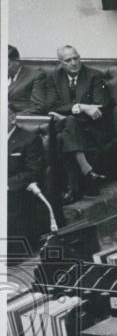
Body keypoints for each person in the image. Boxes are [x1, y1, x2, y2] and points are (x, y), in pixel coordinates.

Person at [46, 45, 114, 202]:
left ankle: (73, 189)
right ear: (60, 63)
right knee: (68, 128)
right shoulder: (53, 77)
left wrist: (66, 115)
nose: (73, 63)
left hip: (92, 129)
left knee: (66, 128)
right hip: (72, 130)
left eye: (76, 58)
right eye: (68, 60)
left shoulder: (93, 75)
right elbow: (50, 106)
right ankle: (87, 173)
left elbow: (100, 107)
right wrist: (81, 107)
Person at [7, 105, 50, 261]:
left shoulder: (30, 139)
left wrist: (6, 184)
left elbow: (34, 172)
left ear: (12, 119)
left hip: (18, 192)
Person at [7, 45, 51, 114]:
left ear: (16, 61)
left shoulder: (36, 76)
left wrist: (12, 117)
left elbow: (38, 107)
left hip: (19, 119)